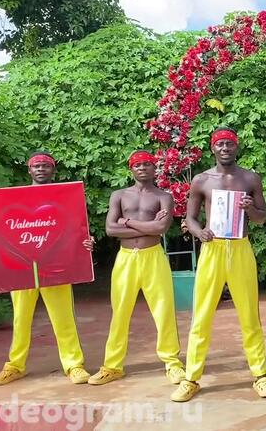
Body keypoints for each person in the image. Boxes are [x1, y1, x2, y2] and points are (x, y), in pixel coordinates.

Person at [170, 128, 266, 402]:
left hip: (240, 247)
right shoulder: (202, 180)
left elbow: (261, 217)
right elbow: (190, 218)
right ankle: (191, 378)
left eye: (229, 144)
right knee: (202, 315)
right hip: (213, 248)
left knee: (249, 314)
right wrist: (199, 232)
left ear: (236, 146)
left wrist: (249, 208)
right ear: (213, 148)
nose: (225, 148)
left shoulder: (250, 178)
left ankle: (260, 375)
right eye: (220, 144)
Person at [0, 151, 93, 385]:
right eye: (36, 166)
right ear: (29, 170)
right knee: (21, 319)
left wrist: (86, 242)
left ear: (53, 170)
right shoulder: (14, 199)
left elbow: (75, 229)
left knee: (63, 318)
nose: (40, 169)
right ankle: (15, 366)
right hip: (21, 268)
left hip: (56, 267)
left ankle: (74, 365)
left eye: (45, 165)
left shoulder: (65, 198)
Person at [87, 150, 185, 385]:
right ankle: (113, 366)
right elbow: (111, 229)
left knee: (164, 310)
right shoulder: (119, 195)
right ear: (131, 169)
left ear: (154, 168)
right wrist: (148, 225)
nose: (142, 168)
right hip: (126, 259)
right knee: (120, 311)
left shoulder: (164, 196)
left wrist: (127, 221)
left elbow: (160, 229)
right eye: (137, 165)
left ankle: (172, 363)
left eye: (146, 164)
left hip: (154, 257)